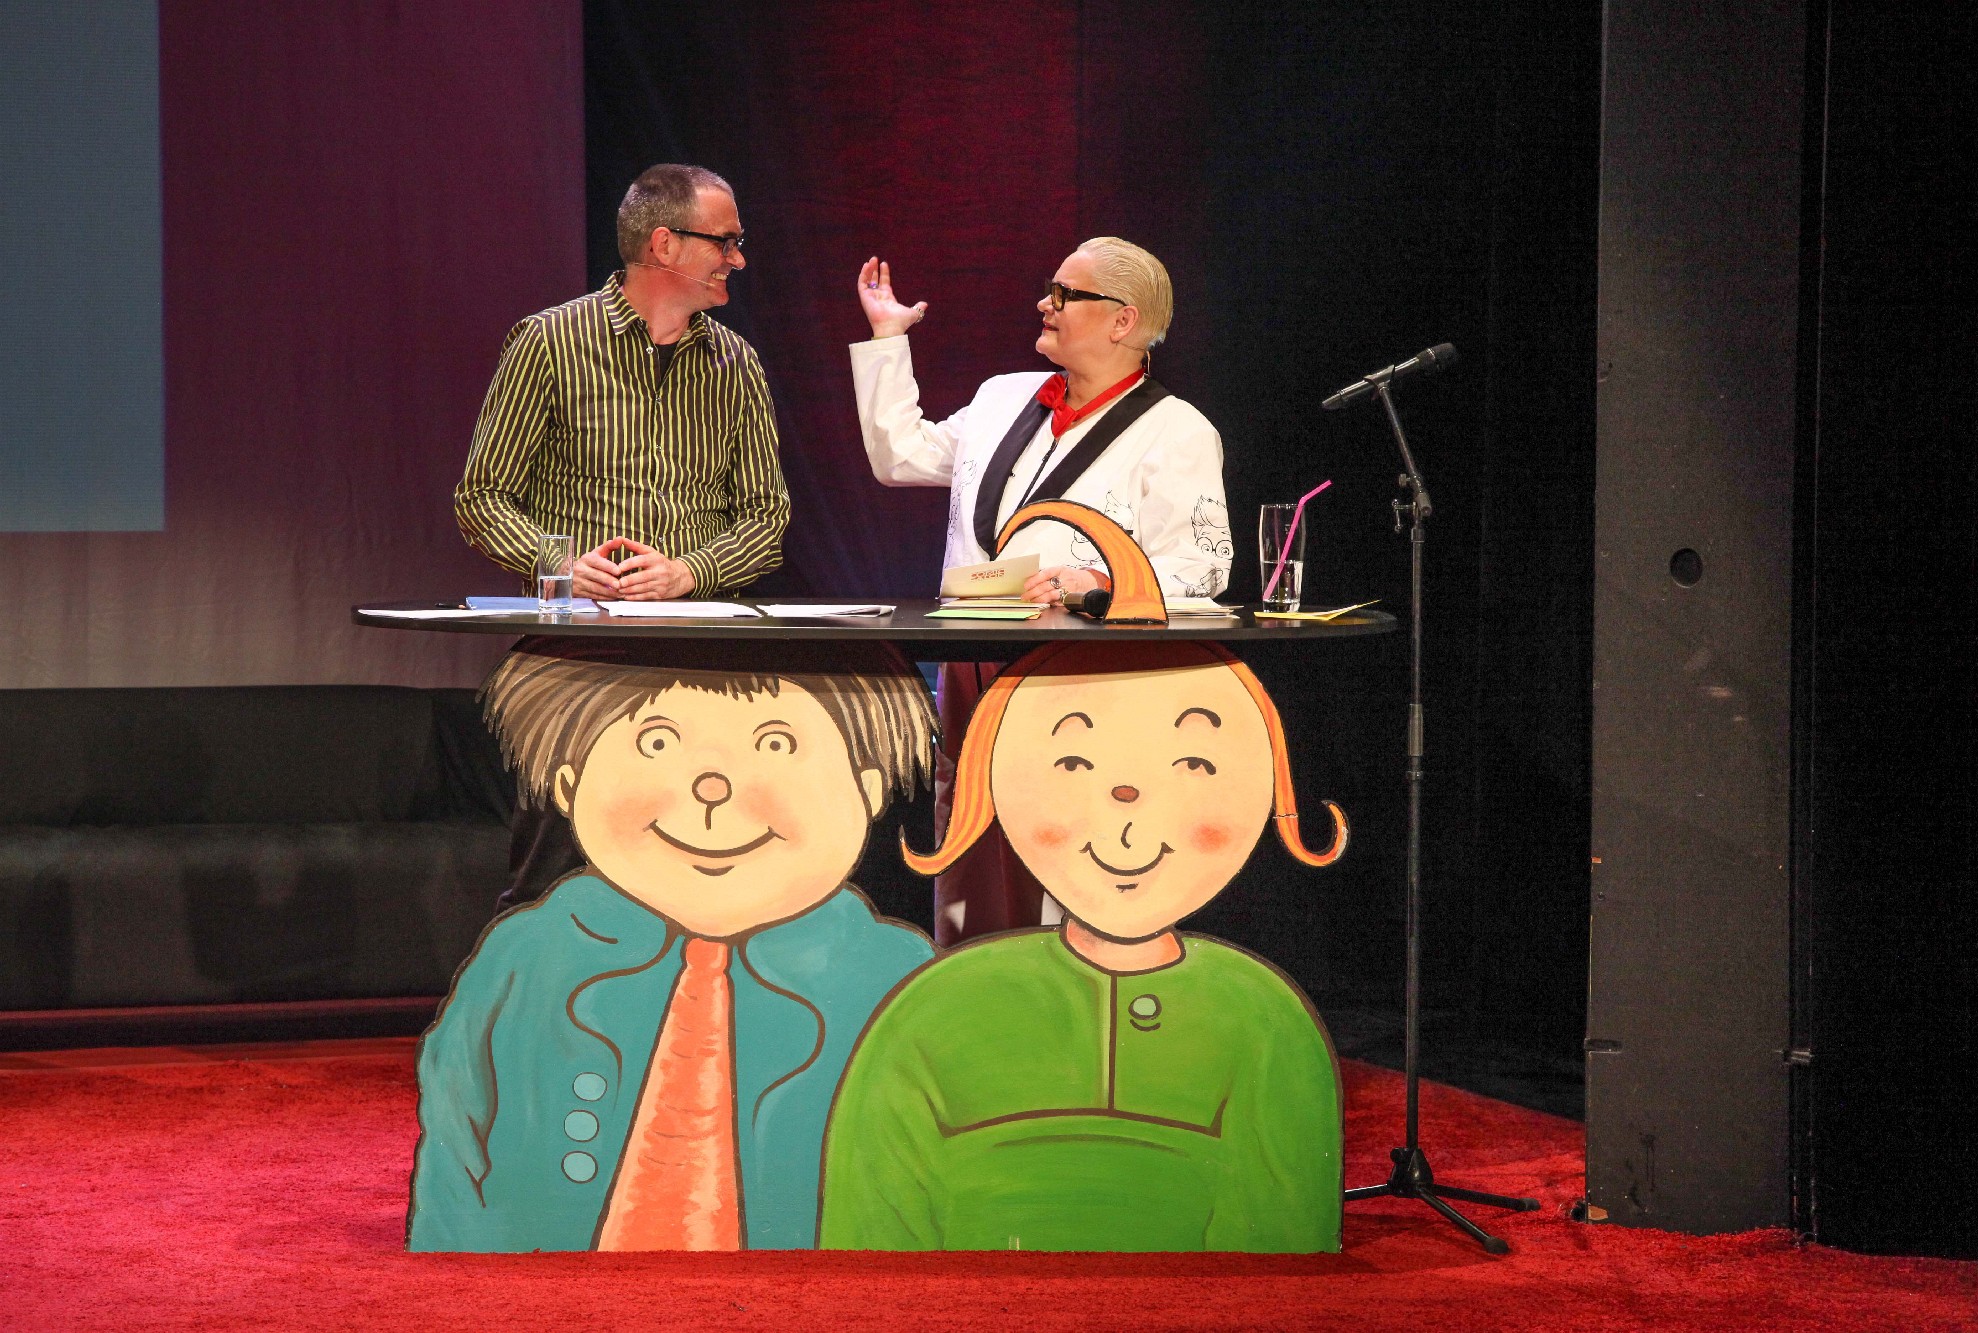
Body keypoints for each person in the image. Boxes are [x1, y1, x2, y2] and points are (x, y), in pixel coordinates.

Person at [818, 639, 1348, 1253]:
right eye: (1073, 762)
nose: (1127, 802)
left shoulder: (1266, 1017)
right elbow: (869, 1235)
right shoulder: (934, 1009)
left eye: (1194, 763)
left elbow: (1284, 1248)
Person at [407, 639, 937, 1253]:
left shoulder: (895, 978)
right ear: (569, 784)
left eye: (776, 744)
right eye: (656, 742)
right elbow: (456, 1129)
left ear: (867, 790)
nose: (712, 787)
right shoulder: (527, 957)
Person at [849, 238, 1232, 947]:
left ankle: (1076, 999)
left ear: (1122, 319)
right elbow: (901, 456)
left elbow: (1204, 568)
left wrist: (1104, 584)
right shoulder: (1004, 398)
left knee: (1069, 847)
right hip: (975, 666)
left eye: (1064, 294)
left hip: (1078, 681)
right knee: (971, 852)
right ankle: (971, 992)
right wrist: (887, 339)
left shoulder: (1177, 432)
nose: (1043, 304)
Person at [454, 163, 792, 912]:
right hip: (581, 656)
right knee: (554, 879)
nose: (738, 259)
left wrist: (689, 571)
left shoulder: (736, 365)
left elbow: (767, 520)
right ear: (664, 244)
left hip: (701, 658)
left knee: (693, 875)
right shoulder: (550, 342)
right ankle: (537, 987)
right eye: (725, 241)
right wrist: (562, 564)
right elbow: (481, 497)